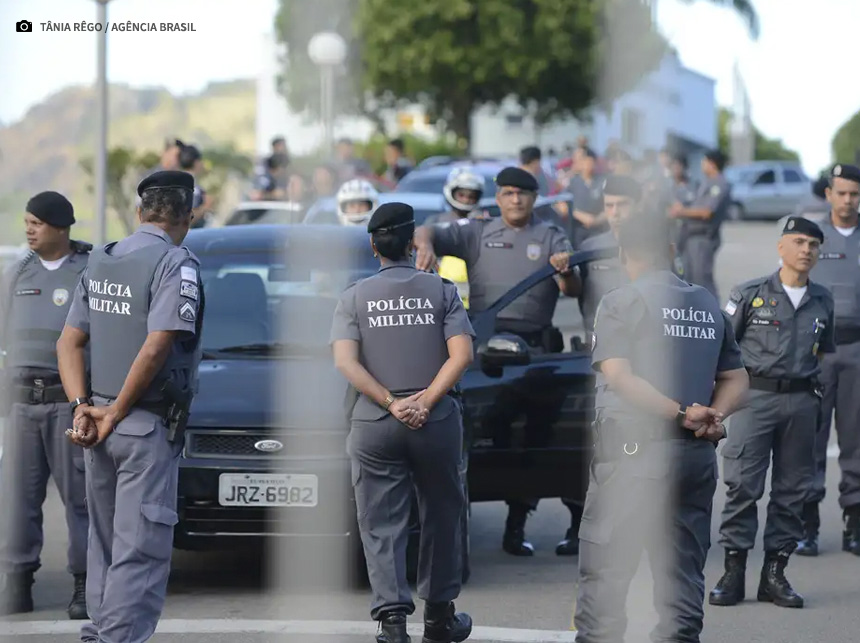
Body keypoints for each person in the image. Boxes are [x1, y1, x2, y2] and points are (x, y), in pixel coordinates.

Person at [573, 212, 749, 643]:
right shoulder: (707, 302)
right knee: (682, 572)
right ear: (671, 252)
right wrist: (714, 416)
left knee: (607, 572)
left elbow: (620, 375)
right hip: (694, 456)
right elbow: (738, 378)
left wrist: (679, 413)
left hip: (636, 455)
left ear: (623, 253)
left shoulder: (621, 301)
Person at [56, 170, 205, 643]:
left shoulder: (101, 259)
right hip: (140, 425)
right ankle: (117, 638)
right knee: (140, 546)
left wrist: (83, 406)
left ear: (140, 213)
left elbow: (69, 342)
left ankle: (101, 631)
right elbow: (158, 344)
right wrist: (117, 409)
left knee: (104, 543)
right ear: (186, 216)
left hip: (94, 426)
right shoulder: (175, 263)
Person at [414, 167, 579, 556]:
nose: (515, 200)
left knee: (547, 437)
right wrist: (425, 246)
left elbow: (574, 288)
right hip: (486, 346)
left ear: (535, 197)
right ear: (499, 197)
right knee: (490, 435)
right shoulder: (479, 231)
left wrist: (565, 272)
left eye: (523, 193)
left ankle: (533, 526)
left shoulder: (552, 234)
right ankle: (478, 521)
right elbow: (429, 230)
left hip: (536, 348)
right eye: (507, 193)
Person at [331, 202, 474, 643]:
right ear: (413, 243)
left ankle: (392, 623)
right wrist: (426, 402)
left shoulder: (353, 296)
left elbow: (345, 363)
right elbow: (462, 355)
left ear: (373, 245)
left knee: (380, 522)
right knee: (443, 516)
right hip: (436, 421)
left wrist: (393, 403)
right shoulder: (442, 290)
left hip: (375, 422)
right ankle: (439, 618)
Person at [709, 217, 833, 610]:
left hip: (801, 402)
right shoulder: (750, 294)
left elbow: (822, 353)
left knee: (792, 491)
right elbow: (723, 349)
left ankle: (775, 575)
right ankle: (733, 572)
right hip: (754, 398)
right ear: (781, 247)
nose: (806, 250)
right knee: (743, 485)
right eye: (798, 242)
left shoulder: (823, 300)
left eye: (813, 244)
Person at [0, 192, 91, 618]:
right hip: (21, 404)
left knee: (80, 499)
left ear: (60, 226)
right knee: (18, 497)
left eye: (36, 222)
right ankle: (17, 581)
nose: (29, 229)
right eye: (26, 222)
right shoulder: (16, 273)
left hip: (66, 402)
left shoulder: (89, 270)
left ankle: (83, 586)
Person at [798, 163, 860, 557]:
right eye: (841, 193)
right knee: (811, 439)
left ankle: (854, 522)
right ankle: (808, 525)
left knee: (856, 440)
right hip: (818, 351)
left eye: (854, 193)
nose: (848, 200)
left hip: (857, 351)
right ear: (828, 194)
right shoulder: (811, 236)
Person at [576, 175, 643, 340]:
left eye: (622, 205)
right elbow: (577, 291)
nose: (615, 213)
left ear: (638, 206)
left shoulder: (655, 246)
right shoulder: (590, 248)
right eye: (609, 206)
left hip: (643, 341)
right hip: (600, 342)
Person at [670, 149, 731, 301]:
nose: (702, 165)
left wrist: (681, 211)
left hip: (703, 238)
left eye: (704, 162)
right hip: (690, 238)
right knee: (689, 278)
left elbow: (706, 211)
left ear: (712, 163)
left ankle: (714, 315)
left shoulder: (719, 183)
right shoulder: (707, 182)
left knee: (702, 280)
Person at [424, 168, 487, 309]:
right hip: (442, 294)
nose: (466, 199)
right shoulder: (434, 223)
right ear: (451, 191)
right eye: (462, 194)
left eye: (471, 196)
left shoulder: (483, 222)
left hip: (474, 295)